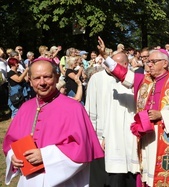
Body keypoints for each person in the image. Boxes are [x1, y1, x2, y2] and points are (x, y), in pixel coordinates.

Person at [97, 36, 169, 187]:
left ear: (165, 63)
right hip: (148, 139)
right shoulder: (145, 81)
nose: (149, 65)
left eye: (153, 62)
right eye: (148, 61)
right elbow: (123, 73)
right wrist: (106, 56)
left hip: (167, 137)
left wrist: (162, 115)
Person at [2, 57, 104, 186]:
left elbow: (82, 148)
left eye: (47, 77)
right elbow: (11, 143)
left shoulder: (74, 108)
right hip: (29, 181)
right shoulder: (25, 107)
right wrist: (13, 157)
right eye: (37, 78)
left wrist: (45, 156)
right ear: (30, 81)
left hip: (64, 182)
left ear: (56, 77)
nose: (42, 82)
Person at [85, 52, 140, 187]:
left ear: (126, 65)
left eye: (117, 64)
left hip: (128, 136)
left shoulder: (133, 80)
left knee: (128, 174)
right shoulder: (97, 79)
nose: (112, 67)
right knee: (106, 178)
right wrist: (95, 137)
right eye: (110, 63)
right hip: (102, 135)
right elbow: (90, 109)